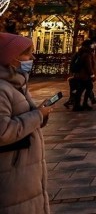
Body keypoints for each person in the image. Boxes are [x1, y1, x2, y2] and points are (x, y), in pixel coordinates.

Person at [0, 32, 51, 213]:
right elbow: (3, 132)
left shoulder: (16, 84)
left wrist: (40, 114)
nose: (32, 58)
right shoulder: (2, 89)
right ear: (12, 58)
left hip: (23, 172)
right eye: (27, 54)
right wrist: (37, 115)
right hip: (11, 174)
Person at [72, 39, 96, 110]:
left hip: (80, 75)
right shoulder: (87, 53)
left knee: (81, 90)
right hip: (85, 75)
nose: (93, 45)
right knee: (88, 88)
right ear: (89, 45)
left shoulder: (81, 52)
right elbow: (88, 65)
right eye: (92, 44)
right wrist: (92, 74)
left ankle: (77, 105)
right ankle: (83, 104)